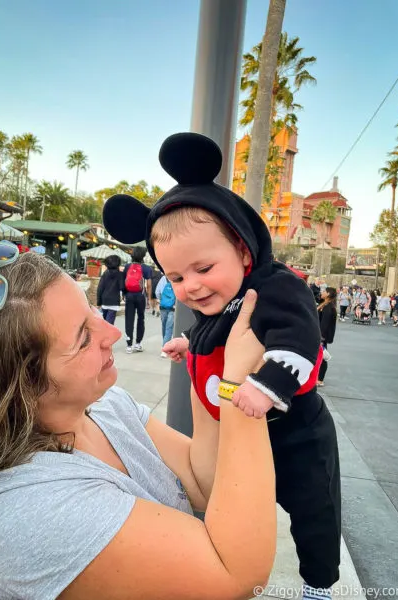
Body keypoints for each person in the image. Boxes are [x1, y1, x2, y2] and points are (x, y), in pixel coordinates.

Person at [0, 242, 276, 600]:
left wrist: (207, 360)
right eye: (83, 339)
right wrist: (245, 389)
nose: (113, 334)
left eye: (92, 311)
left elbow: (203, 479)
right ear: (23, 386)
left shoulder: (103, 405)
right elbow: (237, 576)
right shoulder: (28, 509)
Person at [103, 132, 341, 599]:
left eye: (202, 269)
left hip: (297, 432)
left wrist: (267, 384)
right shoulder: (220, 298)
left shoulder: (274, 288)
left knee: (316, 508)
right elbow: (213, 333)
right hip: (243, 432)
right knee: (241, 508)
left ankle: (319, 585)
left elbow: (300, 337)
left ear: (244, 251)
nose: (190, 286)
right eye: (175, 277)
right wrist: (187, 346)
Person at [123, 246, 152, 353]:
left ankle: (129, 345)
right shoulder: (147, 268)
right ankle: (138, 344)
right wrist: (148, 299)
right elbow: (148, 285)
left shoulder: (127, 266)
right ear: (143, 256)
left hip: (129, 295)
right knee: (141, 319)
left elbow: (124, 281)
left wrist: (124, 295)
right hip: (140, 296)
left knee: (129, 319)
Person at [317, 287, 337, 387]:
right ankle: (318, 377)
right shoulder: (325, 304)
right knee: (319, 356)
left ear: (328, 294)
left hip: (322, 336)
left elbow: (324, 324)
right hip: (320, 335)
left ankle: (320, 379)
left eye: (324, 291)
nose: (322, 292)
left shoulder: (328, 307)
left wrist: (320, 337)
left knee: (322, 356)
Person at [96, 254, 124, 325]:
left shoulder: (105, 274)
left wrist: (99, 302)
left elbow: (100, 288)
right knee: (109, 323)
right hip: (114, 302)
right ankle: (107, 335)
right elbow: (122, 287)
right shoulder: (120, 274)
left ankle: (104, 335)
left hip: (105, 301)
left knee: (104, 321)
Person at [155, 274, 176, 358]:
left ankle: (165, 346)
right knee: (169, 327)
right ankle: (165, 347)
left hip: (163, 306)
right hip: (173, 307)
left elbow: (157, 292)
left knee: (164, 326)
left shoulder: (163, 278)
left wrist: (162, 300)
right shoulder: (176, 278)